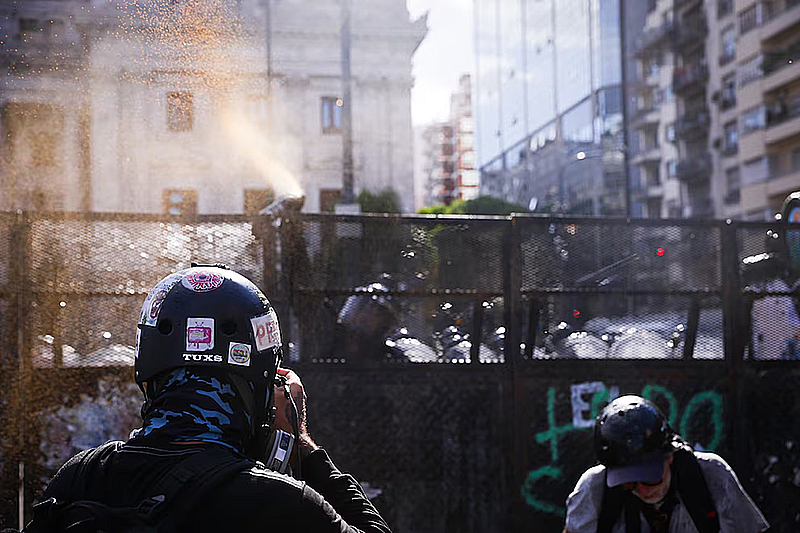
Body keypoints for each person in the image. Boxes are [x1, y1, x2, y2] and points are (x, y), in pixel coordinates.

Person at [27, 265, 392, 532]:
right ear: (264, 381)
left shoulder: (83, 474)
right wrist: (302, 442)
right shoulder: (280, 502)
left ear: (148, 369)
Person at [563, 395, 768, 533]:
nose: (642, 491)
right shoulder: (595, 487)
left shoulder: (710, 474)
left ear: (669, 456)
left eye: (649, 479)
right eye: (629, 483)